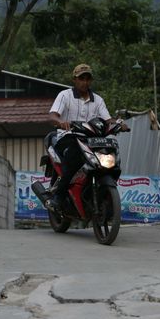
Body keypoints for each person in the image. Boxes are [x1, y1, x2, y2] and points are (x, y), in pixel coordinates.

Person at [47, 63, 113, 211]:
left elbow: (108, 120)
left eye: (88, 78)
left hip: (92, 140)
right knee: (75, 155)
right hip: (68, 137)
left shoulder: (98, 100)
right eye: (81, 78)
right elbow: (52, 115)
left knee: (110, 154)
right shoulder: (65, 96)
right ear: (74, 80)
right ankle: (59, 196)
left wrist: (119, 124)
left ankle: (105, 193)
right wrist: (60, 122)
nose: (85, 82)